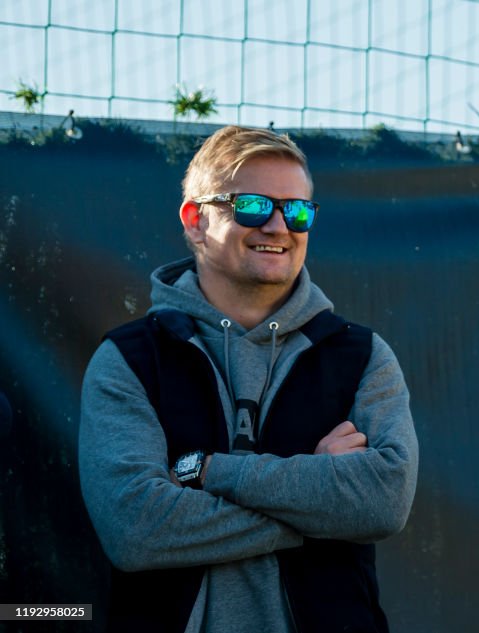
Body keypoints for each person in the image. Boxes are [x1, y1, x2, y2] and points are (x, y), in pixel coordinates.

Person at [79, 125, 418, 633]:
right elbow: (137, 530)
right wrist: (317, 496)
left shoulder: (362, 356)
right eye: (254, 206)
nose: (279, 226)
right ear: (196, 221)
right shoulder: (128, 359)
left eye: (298, 210)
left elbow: (383, 502)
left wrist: (208, 471)